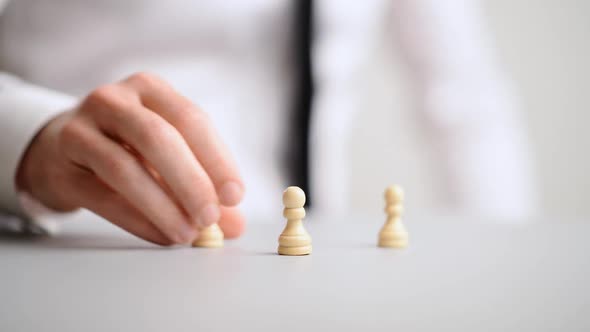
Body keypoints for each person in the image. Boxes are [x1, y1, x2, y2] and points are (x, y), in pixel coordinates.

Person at [0, 0, 535, 245]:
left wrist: (498, 268)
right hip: (78, 244)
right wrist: (30, 137)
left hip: (309, 269)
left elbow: (467, 102)